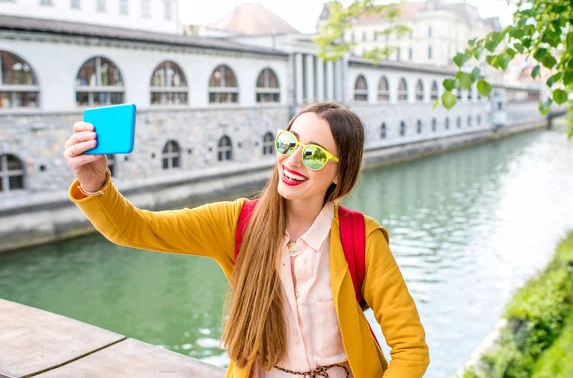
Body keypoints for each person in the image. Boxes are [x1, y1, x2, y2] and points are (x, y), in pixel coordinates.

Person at [64, 102, 429, 378]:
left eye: (314, 155)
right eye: (289, 142)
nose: (293, 160)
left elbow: (410, 346)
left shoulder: (361, 237)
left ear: (340, 171)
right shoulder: (236, 223)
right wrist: (95, 183)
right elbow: (134, 229)